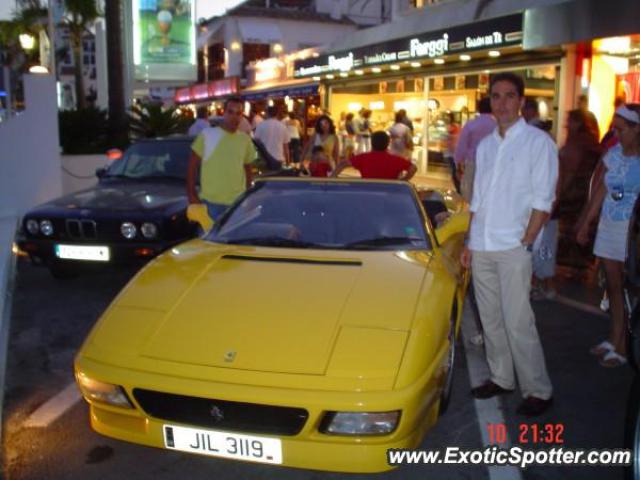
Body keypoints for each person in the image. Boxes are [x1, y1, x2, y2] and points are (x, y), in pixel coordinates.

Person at [461, 72, 558, 417]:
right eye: (495, 96)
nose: (501, 103)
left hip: (514, 246)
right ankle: (501, 377)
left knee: (518, 320)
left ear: (521, 101)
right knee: (490, 318)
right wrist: (471, 241)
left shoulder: (537, 143)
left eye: (508, 96)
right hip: (484, 243)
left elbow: (543, 201)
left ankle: (538, 389)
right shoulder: (486, 145)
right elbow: (478, 199)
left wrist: (527, 242)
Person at [576, 104, 640, 368]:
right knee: (613, 287)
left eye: (621, 129)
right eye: (615, 128)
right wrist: (586, 222)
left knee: (629, 288)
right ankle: (615, 339)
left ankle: (625, 345)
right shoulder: (613, 155)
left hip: (632, 232)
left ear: (637, 129)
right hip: (609, 227)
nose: (617, 133)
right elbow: (600, 190)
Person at [187, 97, 256, 222]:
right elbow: (192, 166)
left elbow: (248, 170)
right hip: (210, 204)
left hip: (237, 205)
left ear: (242, 116)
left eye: (238, 113)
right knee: (208, 241)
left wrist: (248, 196)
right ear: (223, 113)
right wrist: (191, 194)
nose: (234, 117)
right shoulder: (207, 135)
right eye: (230, 112)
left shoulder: (245, 140)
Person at [454, 97, 495, 202]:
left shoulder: (471, 124)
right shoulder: (498, 125)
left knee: (470, 192)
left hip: (473, 162)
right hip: (493, 163)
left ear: (478, 109)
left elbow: (461, 146)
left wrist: (458, 164)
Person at [332, 131, 417, 180]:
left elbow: (342, 164)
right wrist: (404, 181)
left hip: (368, 192)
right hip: (389, 194)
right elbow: (413, 168)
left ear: (372, 143)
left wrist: (333, 177)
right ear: (388, 144)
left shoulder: (363, 158)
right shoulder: (396, 160)